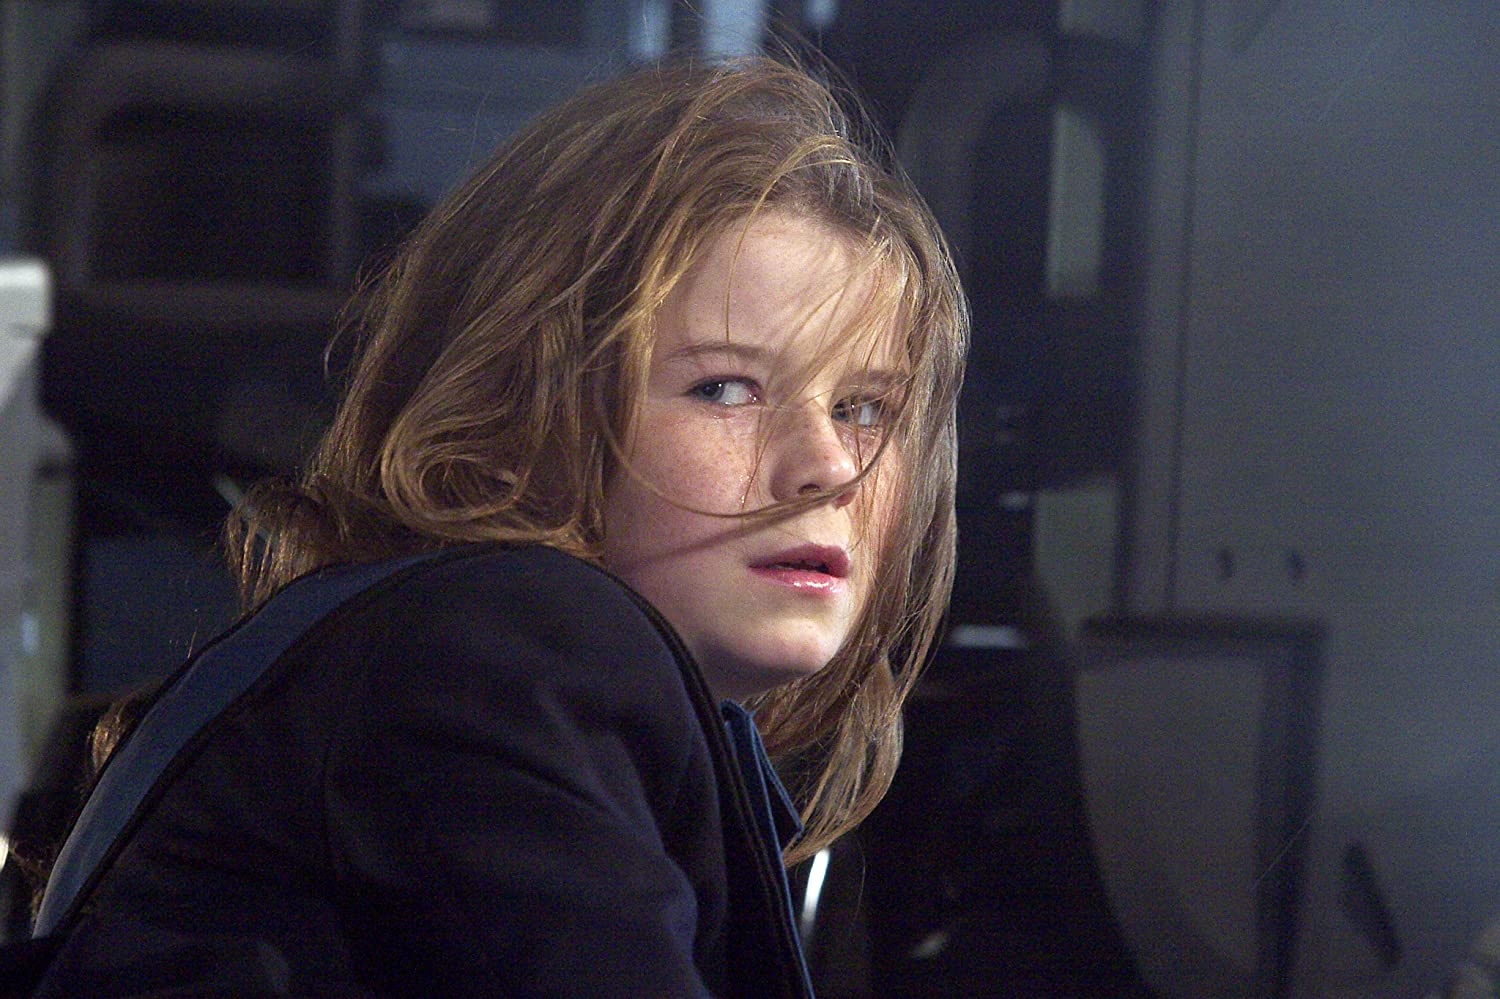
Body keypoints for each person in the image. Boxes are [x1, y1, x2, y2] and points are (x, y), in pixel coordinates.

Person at [25, 53, 967, 997]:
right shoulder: (508, 647)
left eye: (864, 409)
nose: (829, 466)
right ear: (524, 408)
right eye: (726, 388)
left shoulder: (451, 657)